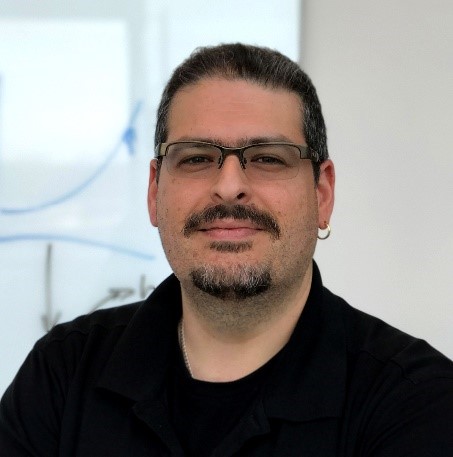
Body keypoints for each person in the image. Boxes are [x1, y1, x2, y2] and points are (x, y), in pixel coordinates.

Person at [1, 43, 452, 457]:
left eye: (268, 158)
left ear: (322, 194)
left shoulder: (417, 401)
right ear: (155, 191)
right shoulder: (62, 374)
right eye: (196, 158)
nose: (229, 186)